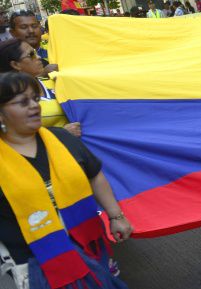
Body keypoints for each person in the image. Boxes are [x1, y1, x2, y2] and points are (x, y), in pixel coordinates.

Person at [0, 72, 133, 289]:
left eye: (35, 98)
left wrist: (116, 215)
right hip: (37, 261)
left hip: (89, 243)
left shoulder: (61, 138)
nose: (34, 106)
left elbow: (95, 175)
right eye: (22, 102)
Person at [0, 38, 81, 136]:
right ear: (15, 64)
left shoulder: (54, 81)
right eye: (31, 55)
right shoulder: (7, 98)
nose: (38, 57)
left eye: (35, 52)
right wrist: (61, 134)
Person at [8, 10, 55, 77]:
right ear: (12, 32)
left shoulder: (54, 46)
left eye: (34, 26)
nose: (31, 31)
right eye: (24, 27)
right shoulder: (8, 57)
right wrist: (41, 74)